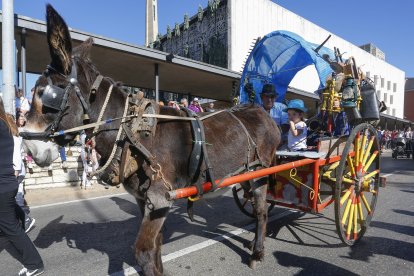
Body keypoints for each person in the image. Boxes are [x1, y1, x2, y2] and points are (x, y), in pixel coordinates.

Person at [0, 97, 44, 276]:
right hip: (6, 181)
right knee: (7, 223)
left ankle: (35, 264)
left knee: (10, 226)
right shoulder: (4, 123)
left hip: (2, 184)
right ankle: (24, 219)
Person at [6, 115, 36, 233]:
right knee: (10, 199)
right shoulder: (13, 137)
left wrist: (15, 174)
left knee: (11, 199)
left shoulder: (14, 138)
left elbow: (16, 158)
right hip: (15, 171)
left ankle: (25, 220)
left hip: (15, 172)